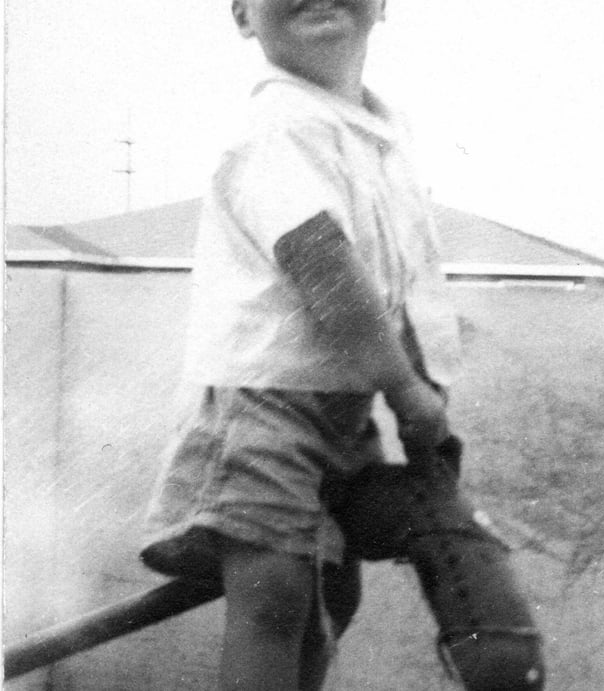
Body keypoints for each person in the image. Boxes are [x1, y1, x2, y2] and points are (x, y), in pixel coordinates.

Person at [141, 0, 460, 688]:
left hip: (342, 406)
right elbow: (322, 260)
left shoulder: (381, 131)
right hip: (262, 401)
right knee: (275, 596)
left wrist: (425, 381)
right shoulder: (278, 124)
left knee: (330, 597)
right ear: (242, 14)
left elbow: (404, 273)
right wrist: (404, 388)